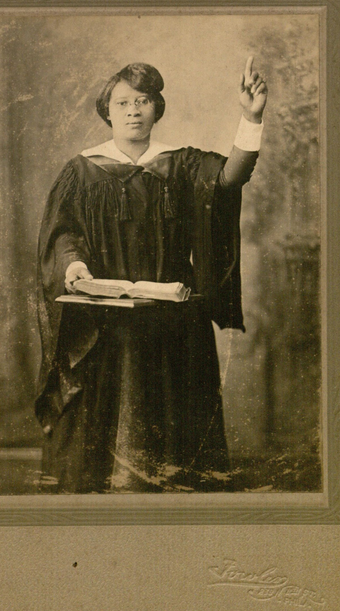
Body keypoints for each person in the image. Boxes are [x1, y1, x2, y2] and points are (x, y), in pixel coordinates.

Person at [35, 58, 267, 493]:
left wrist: (251, 117)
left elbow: (231, 177)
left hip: (175, 317)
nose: (132, 110)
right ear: (107, 110)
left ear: (156, 108)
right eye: (122, 102)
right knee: (103, 458)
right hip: (108, 320)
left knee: (180, 449)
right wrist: (74, 265)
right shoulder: (82, 171)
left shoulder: (179, 164)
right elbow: (64, 232)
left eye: (142, 100)